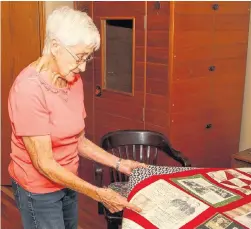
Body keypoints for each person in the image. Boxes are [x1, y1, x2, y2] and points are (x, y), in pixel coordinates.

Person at [8, 6, 147, 229]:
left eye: (87, 57)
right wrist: (98, 193)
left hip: (68, 181)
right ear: (55, 47)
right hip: (39, 191)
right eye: (79, 57)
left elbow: (78, 140)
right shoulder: (28, 90)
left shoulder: (72, 79)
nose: (82, 67)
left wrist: (120, 163)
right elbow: (44, 164)